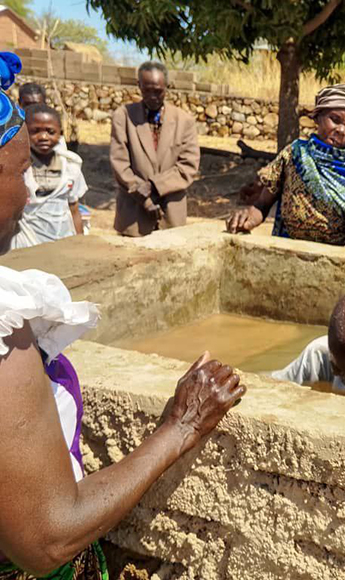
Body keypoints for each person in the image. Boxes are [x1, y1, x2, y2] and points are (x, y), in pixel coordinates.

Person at [0, 54, 245, 579]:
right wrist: (180, 426)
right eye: (20, 172)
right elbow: (46, 538)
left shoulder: (182, 122)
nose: (29, 190)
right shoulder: (3, 326)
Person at [226, 84, 345, 258]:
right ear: (317, 117)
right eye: (335, 119)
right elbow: (262, 204)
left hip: (336, 260)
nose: (342, 130)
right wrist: (248, 218)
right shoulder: (294, 154)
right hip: (287, 254)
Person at [111, 61, 200, 237]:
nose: (152, 97)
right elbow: (120, 165)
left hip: (171, 217)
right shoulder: (123, 116)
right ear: (139, 85)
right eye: (147, 90)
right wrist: (143, 198)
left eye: (158, 91)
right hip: (133, 216)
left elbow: (188, 167)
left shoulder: (184, 121)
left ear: (167, 87)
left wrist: (153, 186)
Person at [11, 104, 86, 249]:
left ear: (60, 133)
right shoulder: (17, 168)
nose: (43, 137)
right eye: (35, 131)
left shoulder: (71, 167)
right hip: (26, 242)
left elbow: (74, 209)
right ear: (24, 132)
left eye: (50, 132)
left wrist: (80, 244)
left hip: (63, 239)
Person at [18, 83, 80, 152]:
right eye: (27, 105)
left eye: (37, 105)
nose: (32, 109)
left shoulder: (51, 126)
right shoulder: (13, 128)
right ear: (19, 103)